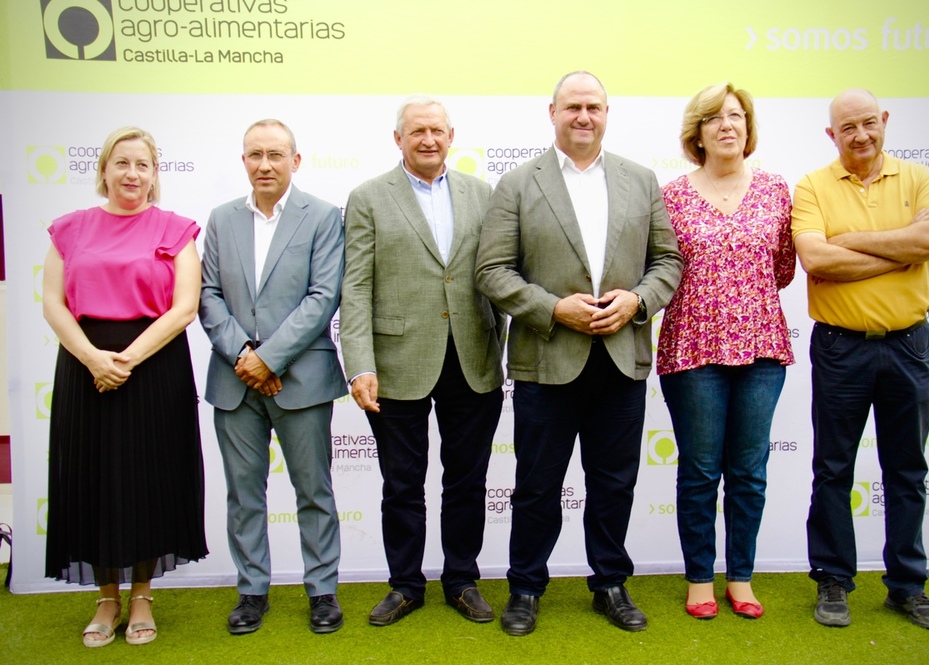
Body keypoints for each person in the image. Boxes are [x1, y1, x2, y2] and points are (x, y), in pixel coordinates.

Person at [476, 71, 684, 636]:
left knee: (614, 482)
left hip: (621, 358)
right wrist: (550, 309)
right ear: (552, 112)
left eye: (593, 106)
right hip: (548, 360)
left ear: (607, 112)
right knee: (538, 484)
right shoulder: (517, 184)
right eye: (573, 107)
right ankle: (524, 588)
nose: (583, 116)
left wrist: (638, 301)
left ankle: (610, 584)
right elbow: (492, 272)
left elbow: (668, 261)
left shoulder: (640, 180)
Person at [340, 95, 505, 626]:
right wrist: (360, 364)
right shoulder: (367, 198)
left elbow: (501, 275)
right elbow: (356, 287)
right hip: (395, 362)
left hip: (472, 357)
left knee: (467, 480)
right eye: (417, 131)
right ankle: (406, 585)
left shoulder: (485, 195)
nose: (428, 139)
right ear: (398, 139)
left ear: (451, 135)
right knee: (402, 483)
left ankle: (461, 579)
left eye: (437, 130)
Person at [792, 89, 929, 630]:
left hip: (910, 344)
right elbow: (816, 256)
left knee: (906, 469)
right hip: (841, 347)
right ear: (831, 135)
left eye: (868, 123)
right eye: (847, 128)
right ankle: (833, 581)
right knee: (833, 468)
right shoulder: (813, 185)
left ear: (883, 121)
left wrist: (853, 245)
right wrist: (900, 249)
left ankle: (908, 586)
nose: (860, 135)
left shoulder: (919, 179)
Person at [42, 126, 207, 647]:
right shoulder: (69, 229)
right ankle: (106, 598)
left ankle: (141, 595)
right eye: (122, 163)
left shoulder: (176, 229)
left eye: (142, 164)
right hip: (84, 366)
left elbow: (184, 307)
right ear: (104, 171)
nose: (131, 174)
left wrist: (127, 359)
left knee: (148, 479)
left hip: (153, 368)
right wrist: (94, 357)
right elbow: (53, 303)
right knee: (92, 476)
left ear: (155, 175)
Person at [199, 119, 348, 635]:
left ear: (295, 160)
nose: (264, 164)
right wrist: (245, 353)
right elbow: (209, 294)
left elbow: (323, 296)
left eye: (275, 155)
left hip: (301, 380)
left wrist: (271, 358)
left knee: (314, 490)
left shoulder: (324, 217)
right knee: (244, 494)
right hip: (233, 379)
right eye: (254, 154)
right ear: (243, 161)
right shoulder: (220, 220)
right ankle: (251, 590)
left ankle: (323, 590)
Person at [656, 83, 795, 621]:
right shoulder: (671, 195)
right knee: (699, 470)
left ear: (748, 127)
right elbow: (663, 270)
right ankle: (698, 577)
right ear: (698, 132)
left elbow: (782, 268)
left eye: (736, 116)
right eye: (714, 118)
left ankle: (740, 576)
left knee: (750, 471)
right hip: (693, 351)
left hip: (762, 348)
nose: (727, 125)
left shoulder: (777, 190)